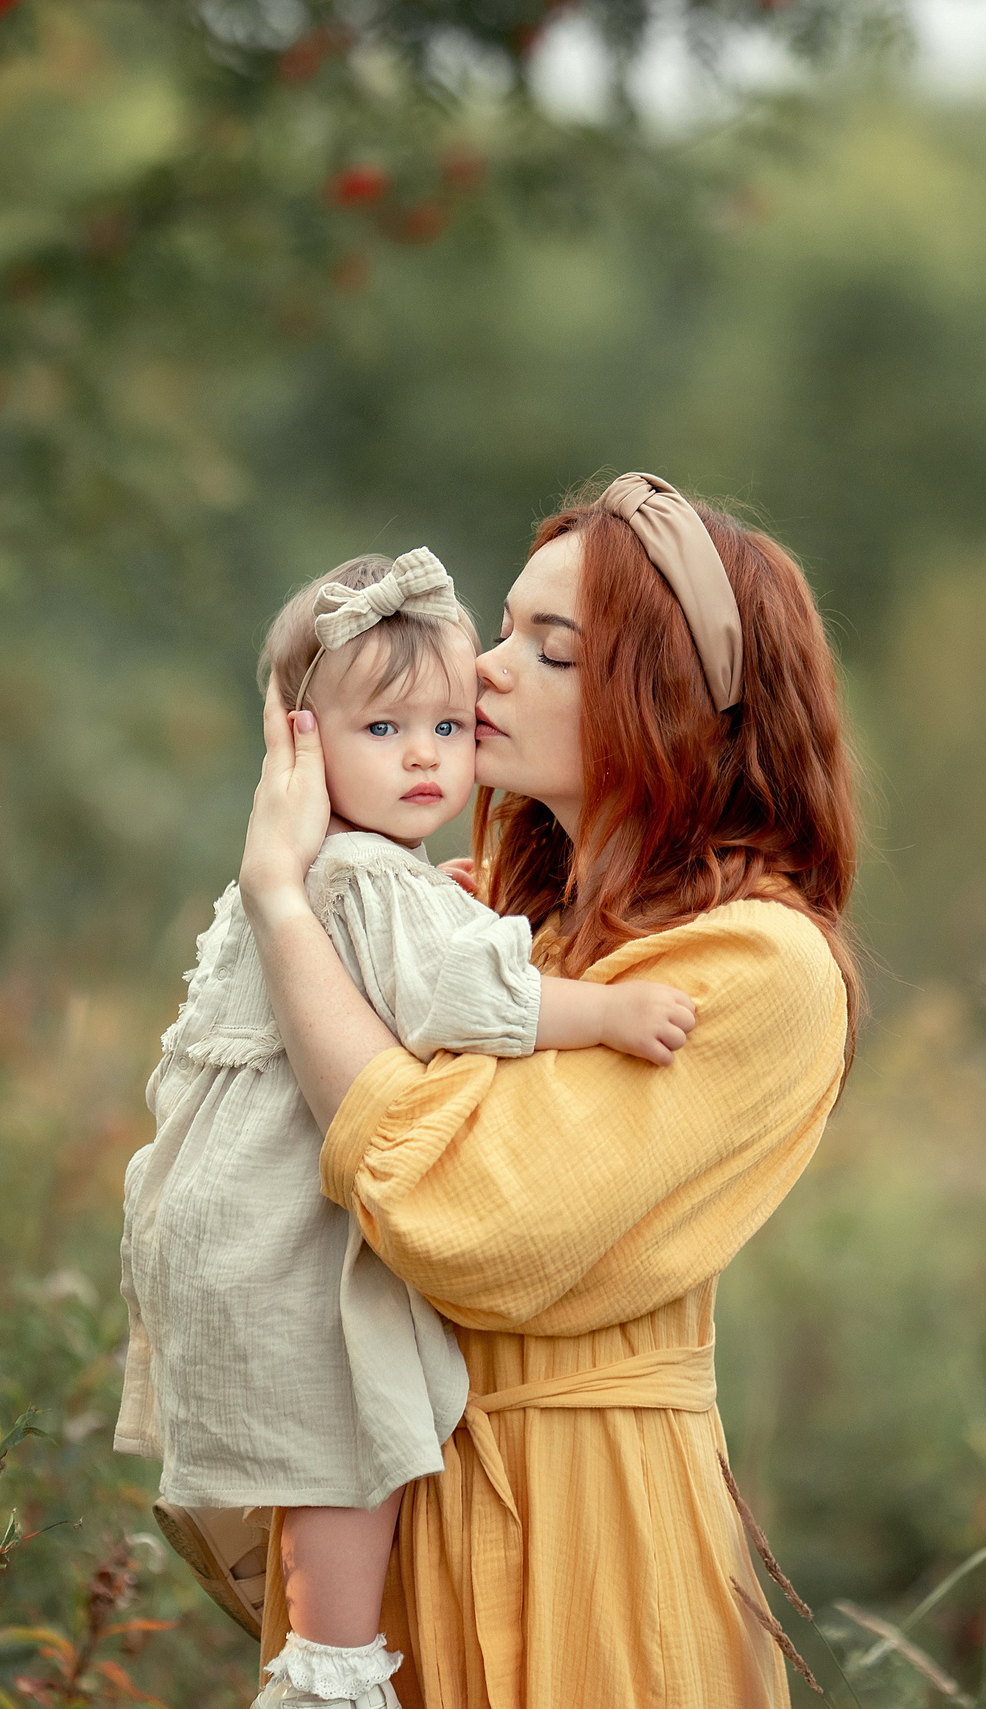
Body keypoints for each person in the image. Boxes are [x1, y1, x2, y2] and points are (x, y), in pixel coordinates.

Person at [234, 474, 861, 1709]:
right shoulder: (488, 923)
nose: (483, 670)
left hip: (588, 1530)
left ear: (673, 696)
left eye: (550, 650)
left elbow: (460, 1210)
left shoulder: (756, 964)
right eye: (504, 629)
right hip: (396, 1514)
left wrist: (280, 906)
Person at [115, 547, 705, 1709]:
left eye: (443, 725)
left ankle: (321, 1651)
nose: (429, 754)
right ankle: (330, 1674)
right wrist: (606, 1008)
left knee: (328, 1444)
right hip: (285, 1225)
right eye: (383, 732)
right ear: (299, 748)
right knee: (345, 1433)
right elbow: (464, 1002)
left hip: (220, 1211)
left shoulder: (340, 876)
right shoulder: (362, 881)